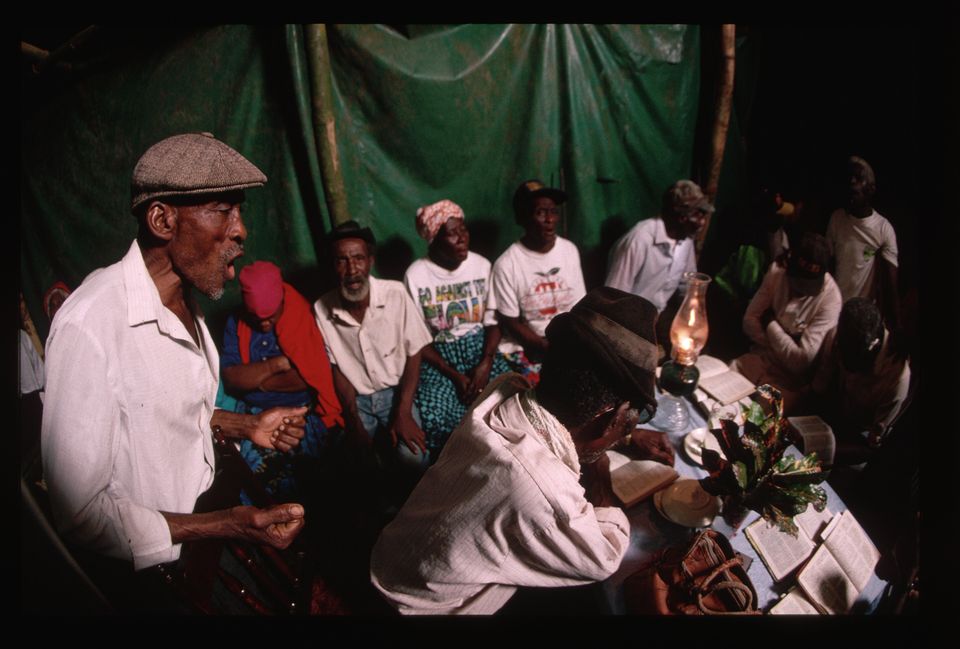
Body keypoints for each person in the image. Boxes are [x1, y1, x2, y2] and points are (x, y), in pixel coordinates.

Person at [41, 133, 308, 607]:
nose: (241, 230)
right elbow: (79, 515)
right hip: (162, 570)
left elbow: (158, 411)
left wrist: (247, 426)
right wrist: (226, 523)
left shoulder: (187, 302)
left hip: (207, 525)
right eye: (223, 210)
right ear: (163, 219)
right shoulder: (92, 325)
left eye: (239, 211)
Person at [370, 287, 675, 615]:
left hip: (393, 557)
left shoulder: (503, 391)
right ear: (610, 418)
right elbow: (604, 557)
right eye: (626, 423)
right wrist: (600, 469)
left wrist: (625, 436)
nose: (623, 433)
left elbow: (558, 414)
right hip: (419, 608)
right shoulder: (541, 490)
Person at [314, 220, 433, 474]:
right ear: (332, 265)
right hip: (357, 400)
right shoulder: (321, 308)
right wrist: (353, 421)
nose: (351, 269)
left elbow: (414, 352)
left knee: (412, 459)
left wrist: (403, 412)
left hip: (397, 392)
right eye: (342, 260)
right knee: (356, 465)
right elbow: (337, 369)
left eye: (358, 258)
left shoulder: (396, 293)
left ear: (370, 261)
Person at [221, 260, 345, 503]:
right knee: (253, 479)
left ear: (282, 301)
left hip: (300, 407)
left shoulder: (301, 316)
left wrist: (255, 378)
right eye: (257, 318)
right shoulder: (236, 323)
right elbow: (233, 378)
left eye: (270, 316)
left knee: (311, 477)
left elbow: (307, 377)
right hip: (255, 410)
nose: (264, 323)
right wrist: (276, 365)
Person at [403, 199, 511, 460]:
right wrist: (453, 375)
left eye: (463, 230)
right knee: (440, 417)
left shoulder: (482, 266)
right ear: (433, 240)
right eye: (452, 234)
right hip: (439, 360)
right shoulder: (416, 275)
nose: (462, 238)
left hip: (481, 350)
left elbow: (494, 322)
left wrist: (485, 364)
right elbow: (417, 340)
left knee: (506, 405)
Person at [730, 232, 842, 414]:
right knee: (718, 394)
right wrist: (786, 344)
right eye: (798, 283)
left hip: (788, 380)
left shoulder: (831, 299)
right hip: (759, 358)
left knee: (756, 422)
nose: (801, 291)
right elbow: (749, 321)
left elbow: (800, 362)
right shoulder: (778, 271)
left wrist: (770, 324)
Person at [489, 180, 586, 384]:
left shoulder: (569, 250)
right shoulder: (507, 264)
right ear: (522, 218)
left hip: (569, 340)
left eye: (553, 211)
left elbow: (579, 307)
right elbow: (511, 323)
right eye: (541, 212)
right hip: (530, 347)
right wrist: (548, 348)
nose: (550, 219)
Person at [605, 179, 712, 356]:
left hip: (659, 317)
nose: (702, 223)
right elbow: (612, 300)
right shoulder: (639, 240)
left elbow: (687, 288)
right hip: (630, 325)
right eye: (698, 215)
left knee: (698, 351)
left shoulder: (685, 239)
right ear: (681, 216)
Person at [812, 297, 911, 465]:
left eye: (851, 360)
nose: (843, 362)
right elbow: (817, 390)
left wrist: (820, 454)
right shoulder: (836, 337)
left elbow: (871, 448)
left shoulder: (896, 380)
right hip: (829, 419)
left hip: (854, 445)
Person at [825, 156, 900, 328]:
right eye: (850, 178)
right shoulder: (837, 219)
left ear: (871, 189)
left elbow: (891, 285)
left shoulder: (883, 228)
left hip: (864, 315)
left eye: (859, 178)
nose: (852, 182)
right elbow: (827, 265)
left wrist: (896, 325)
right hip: (835, 309)